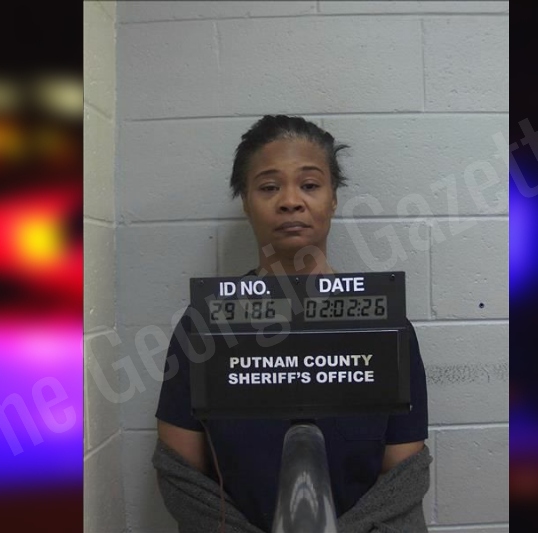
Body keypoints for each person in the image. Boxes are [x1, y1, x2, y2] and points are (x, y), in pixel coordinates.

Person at [153, 115, 429, 532]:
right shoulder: (204, 327)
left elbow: (402, 480)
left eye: (310, 185)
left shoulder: (387, 325)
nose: (290, 201)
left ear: (333, 199)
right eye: (268, 187)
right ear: (246, 202)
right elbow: (182, 477)